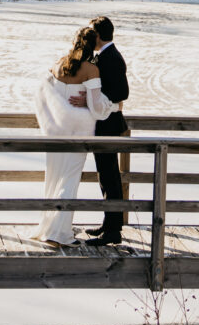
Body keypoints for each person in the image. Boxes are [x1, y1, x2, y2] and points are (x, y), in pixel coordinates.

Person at [29, 25, 119, 246]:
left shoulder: (60, 64)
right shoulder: (90, 69)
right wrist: (113, 106)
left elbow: (44, 90)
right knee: (69, 179)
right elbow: (98, 108)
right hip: (78, 131)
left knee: (53, 177)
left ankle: (50, 225)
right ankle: (58, 233)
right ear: (92, 45)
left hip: (57, 131)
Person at [85, 15, 129, 245]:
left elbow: (122, 92)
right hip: (105, 124)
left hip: (109, 125)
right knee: (106, 175)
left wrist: (97, 101)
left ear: (99, 35)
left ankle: (114, 231)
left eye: (92, 32)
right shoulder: (105, 56)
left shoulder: (111, 57)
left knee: (110, 176)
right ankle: (109, 223)